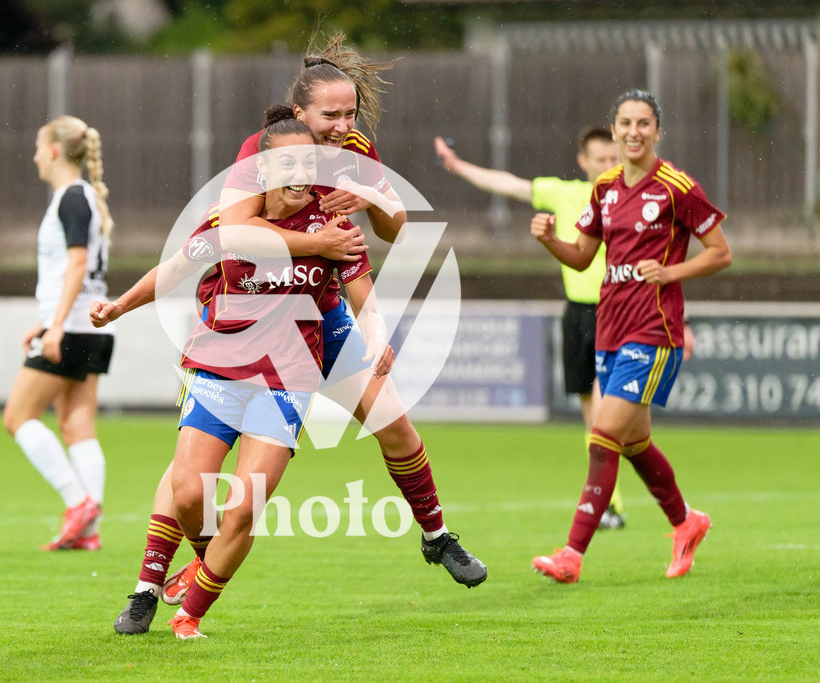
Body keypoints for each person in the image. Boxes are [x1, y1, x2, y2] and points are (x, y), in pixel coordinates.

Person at [93, 108, 392, 639]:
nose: (304, 172)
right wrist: (118, 306)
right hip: (219, 369)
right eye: (290, 163)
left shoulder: (331, 227)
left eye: (311, 161)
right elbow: (177, 267)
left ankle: (190, 616)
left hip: (285, 380)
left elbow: (359, 285)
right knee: (188, 495)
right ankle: (203, 568)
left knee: (244, 508)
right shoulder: (229, 224)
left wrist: (375, 334)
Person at [214, 30, 486, 584]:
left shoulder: (356, 151)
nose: (343, 126)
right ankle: (167, 573)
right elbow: (236, 231)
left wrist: (371, 197)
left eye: (351, 113)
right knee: (196, 463)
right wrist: (317, 242)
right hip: (251, 319)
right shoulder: (260, 149)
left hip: (323, 314)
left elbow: (393, 230)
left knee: (396, 428)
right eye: (330, 116)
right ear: (299, 113)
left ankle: (437, 537)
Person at [529, 90, 731, 583]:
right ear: (614, 130)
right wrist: (549, 239)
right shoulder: (604, 188)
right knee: (635, 442)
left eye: (644, 123)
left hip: (654, 329)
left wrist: (670, 272)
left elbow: (720, 252)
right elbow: (581, 256)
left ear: (657, 131)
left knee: (602, 437)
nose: (634, 132)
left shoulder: (677, 187)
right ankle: (687, 522)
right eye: (626, 123)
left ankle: (572, 556)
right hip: (610, 327)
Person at [434, 128, 630, 529]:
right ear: (584, 161)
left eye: (614, 159)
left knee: (606, 413)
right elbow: (509, 184)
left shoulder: (632, 198)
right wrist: (457, 167)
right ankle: (608, 502)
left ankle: (610, 504)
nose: (608, 165)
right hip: (578, 314)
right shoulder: (565, 194)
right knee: (592, 416)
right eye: (601, 158)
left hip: (618, 313)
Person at [2, 115, 115, 551]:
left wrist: (53, 324)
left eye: (37, 145)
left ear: (52, 150)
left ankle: (78, 503)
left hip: (69, 327)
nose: (33, 155)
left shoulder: (71, 197)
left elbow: (76, 264)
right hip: (87, 327)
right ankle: (89, 530)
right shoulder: (85, 197)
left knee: (18, 417)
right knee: (76, 424)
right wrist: (49, 318)